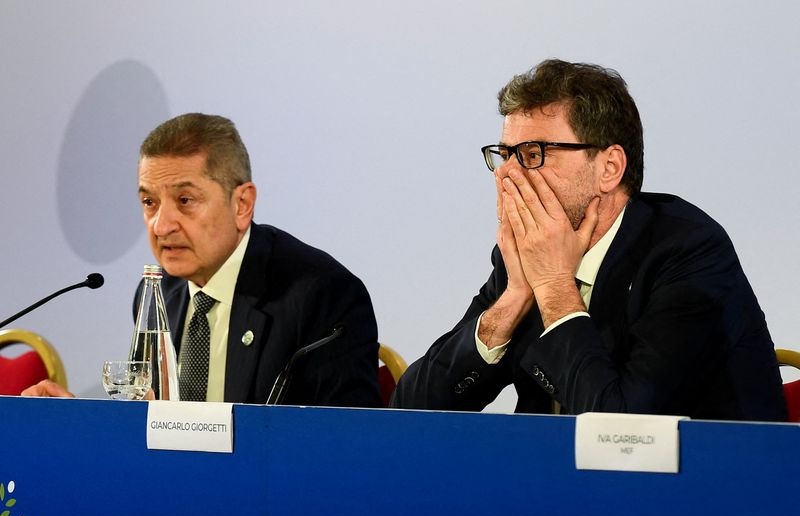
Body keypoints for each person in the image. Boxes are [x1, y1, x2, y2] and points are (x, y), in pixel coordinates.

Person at [391, 59, 786, 421]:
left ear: (609, 168)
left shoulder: (688, 252)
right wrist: (513, 300)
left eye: (533, 154)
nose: (506, 175)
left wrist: (554, 287)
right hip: (558, 487)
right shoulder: (525, 256)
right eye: (505, 154)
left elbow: (622, 432)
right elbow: (408, 412)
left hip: (703, 487)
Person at [25, 113, 381, 407]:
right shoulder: (158, 292)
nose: (161, 225)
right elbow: (151, 423)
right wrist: (74, 419)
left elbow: (346, 445)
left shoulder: (322, 296)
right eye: (149, 202)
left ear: (241, 205)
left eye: (185, 200)